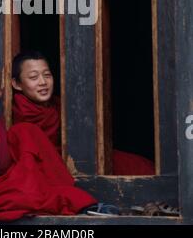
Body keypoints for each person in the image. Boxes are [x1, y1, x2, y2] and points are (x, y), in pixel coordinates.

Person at [0, 63, 97, 224]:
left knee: (32, 175)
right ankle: (82, 205)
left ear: (0, 93)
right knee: (28, 193)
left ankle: (80, 202)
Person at [12, 51, 155, 176]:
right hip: (56, 170)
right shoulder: (17, 114)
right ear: (17, 84)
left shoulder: (62, 105)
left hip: (83, 158)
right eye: (33, 77)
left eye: (47, 75)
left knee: (139, 166)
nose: (43, 82)